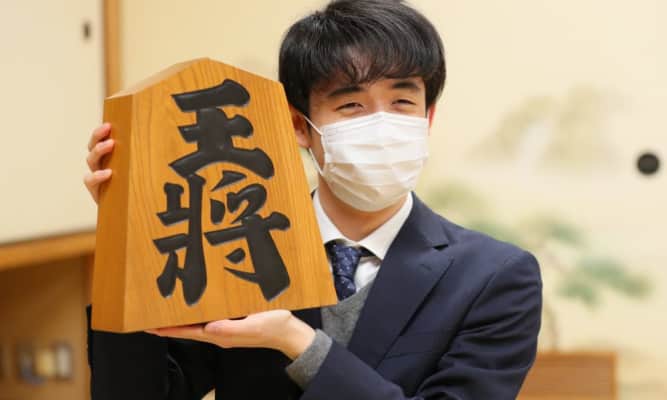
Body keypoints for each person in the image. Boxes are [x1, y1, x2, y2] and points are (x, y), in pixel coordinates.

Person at [84, 1, 542, 399]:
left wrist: (297, 342)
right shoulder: (230, 244)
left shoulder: (495, 276)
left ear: (428, 117)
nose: (381, 125)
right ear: (300, 126)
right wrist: (126, 221)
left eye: (402, 102)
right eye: (351, 105)